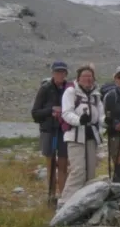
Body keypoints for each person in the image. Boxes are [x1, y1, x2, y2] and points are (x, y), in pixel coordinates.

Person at [58, 65, 104, 206]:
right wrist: (79, 120)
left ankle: (84, 205)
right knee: (78, 172)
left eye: (90, 76)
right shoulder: (71, 92)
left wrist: (106, 121)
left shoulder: (96, 95)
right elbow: (66, 113)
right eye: (84, 76)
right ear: (78, 78)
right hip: (75, 137)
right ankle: (64, 205)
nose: (88, 79)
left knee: (90, 174)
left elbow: (100, 116)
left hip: (91, 137)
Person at [31, 61, 71, 202]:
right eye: (57, 72)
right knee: (51, 163)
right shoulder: (45, 89)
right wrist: (51, 110)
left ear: (66, 74)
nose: (60, 74)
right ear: (53, 73)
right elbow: (35, 113)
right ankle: (51, 195)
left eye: (62, 72)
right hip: (49, 130)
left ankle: (63, 196)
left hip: (64, 131)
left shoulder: (69, 88)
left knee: (63, 163)